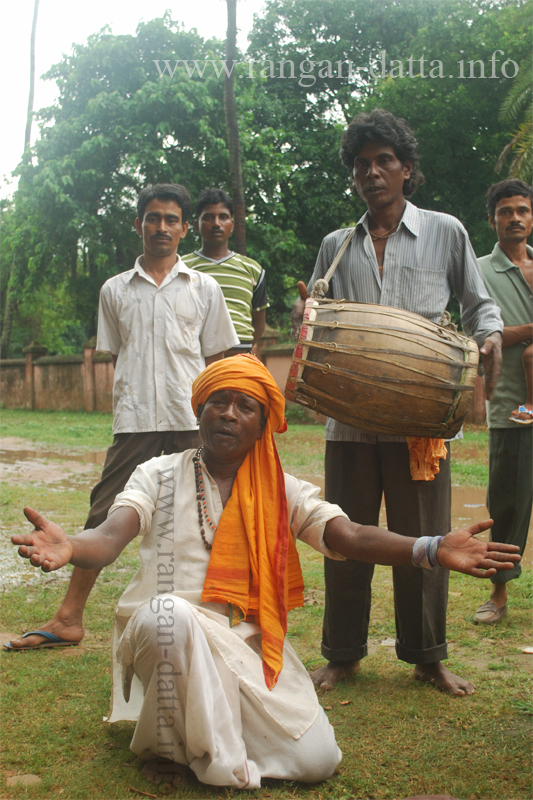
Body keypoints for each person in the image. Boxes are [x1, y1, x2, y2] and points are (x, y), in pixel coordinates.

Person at [11, 356, 519, 790]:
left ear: (261, 423)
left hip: (248, 644)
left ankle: (211, 746)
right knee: (167, 615)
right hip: (166, 637)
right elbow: (110, 536)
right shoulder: (158, 473)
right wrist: (73, 546)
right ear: (200, 409)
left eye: (245, 406)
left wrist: (428, 547)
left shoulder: (282, 489)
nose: (228, 414)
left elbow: (351, 536)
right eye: (218, 401)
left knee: (318, 760)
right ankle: (179, 755)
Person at [294, 109, 504, 696]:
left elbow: (479, 304)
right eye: (362, 165)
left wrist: (488, 336)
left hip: (422, 423)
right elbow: (317, 322)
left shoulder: (447, 231)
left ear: (407, 169)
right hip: (350, 425)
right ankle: (341, 653)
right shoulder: (336, 245)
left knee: (425, 541)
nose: (372, 173)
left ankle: (427, 656)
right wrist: (302, 322)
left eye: (384, 161)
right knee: (343, 539)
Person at [5, 183, 239, 652]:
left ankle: (226, 623)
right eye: (153, 218)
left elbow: (221, 357)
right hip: (133, 422)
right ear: (139, 225)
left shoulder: (205, 287)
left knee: (212, 514)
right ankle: (69, 618)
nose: (162, 227)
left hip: (190, 419)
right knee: (104, 512)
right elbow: (116, 356)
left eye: (172, 220)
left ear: (184, 228)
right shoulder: (114, 289)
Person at [473, 179, 533, 624]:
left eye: (523, 210)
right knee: (507, 504)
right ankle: (497, 593)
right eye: (506, 211)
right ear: (492, 219)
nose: (515, 218)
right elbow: (480, 337)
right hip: (514, 409)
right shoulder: (479, 271)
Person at [182, 188, 268, 355]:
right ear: (196, 226)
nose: (216, 224)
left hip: (240, 360)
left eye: (223, 217)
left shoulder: (253, 269)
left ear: (232, 225)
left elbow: (259, 324)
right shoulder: (181, 268)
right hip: (195, 360)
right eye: (208, 217)